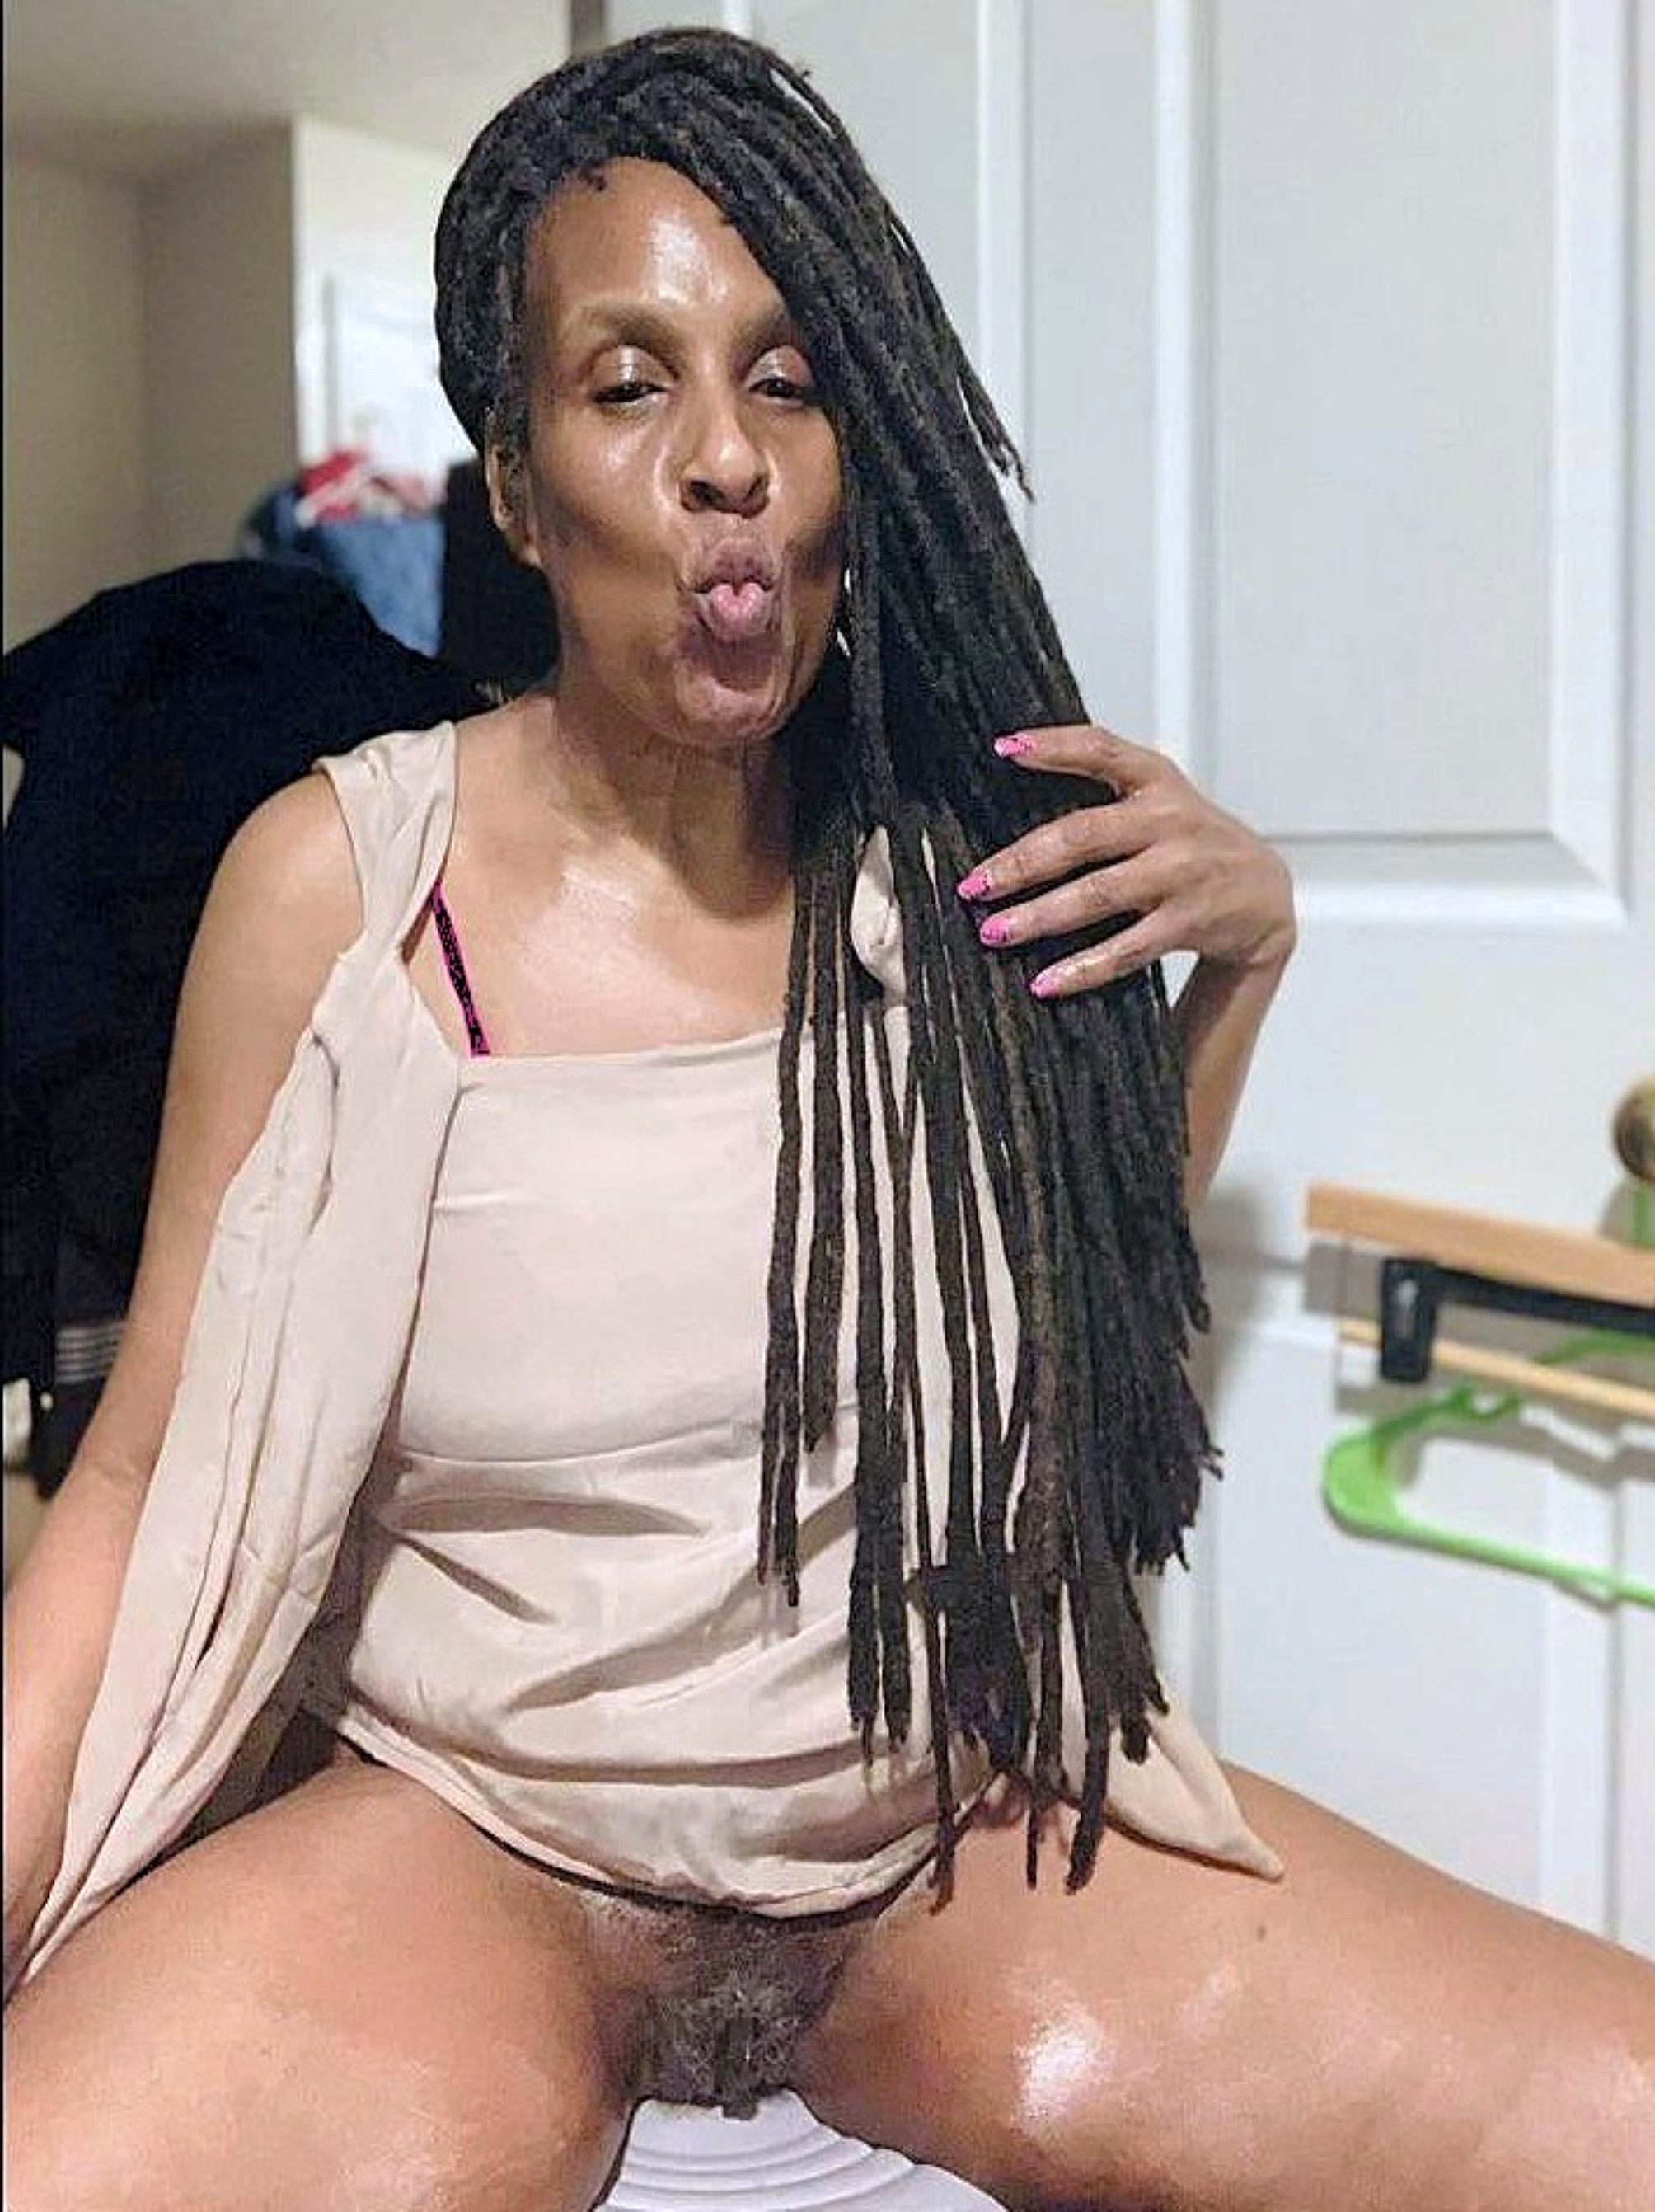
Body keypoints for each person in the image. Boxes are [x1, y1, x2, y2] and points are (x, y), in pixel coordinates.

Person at [4, 29, 1650, 2211]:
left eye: (786, 382)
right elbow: (134, 1478)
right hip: (474, 1851)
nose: (727, 460)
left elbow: (1067, 1337)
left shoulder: (958, 878)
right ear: (514, 489)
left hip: (937, 1845)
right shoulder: (351, 888)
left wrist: (1241, 963)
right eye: (629, 384)